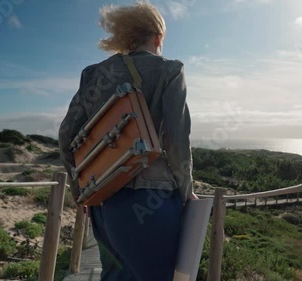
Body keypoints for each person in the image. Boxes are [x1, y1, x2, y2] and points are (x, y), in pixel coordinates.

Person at [58, 3, 197, 280]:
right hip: (153, 198)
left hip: (103, 197)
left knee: (114, 275)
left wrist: (79, 190)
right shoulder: (170, 70)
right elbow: (177, 139)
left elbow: (66, 135)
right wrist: (186, 191)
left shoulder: (93, 74)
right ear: (158, 36)